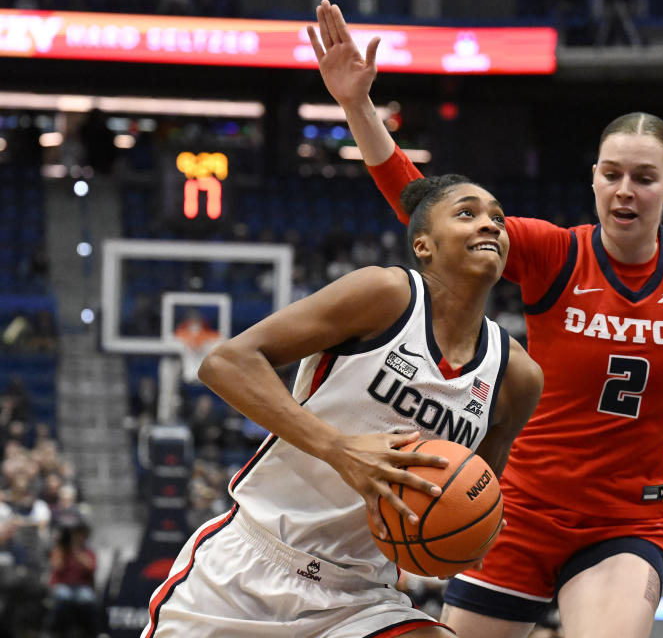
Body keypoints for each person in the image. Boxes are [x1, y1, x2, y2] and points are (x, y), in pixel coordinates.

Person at [308, 3, 663, 636]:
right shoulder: (555, 251)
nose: (625, 190)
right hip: (517, 509)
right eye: (612, 175)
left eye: (644, 177)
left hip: (623, 523)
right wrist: (358, 106)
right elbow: (424, 208)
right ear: (594, 180)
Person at [141, 175, 543, 637]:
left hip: (361, 598)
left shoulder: (516, 377)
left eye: (498, 218)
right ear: (423, 245)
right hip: (251, 566)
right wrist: (340, 449)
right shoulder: (385, 295)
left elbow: (474, 494)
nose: (490, 225)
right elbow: (225, 362)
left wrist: (469, 537)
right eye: (467, 213)